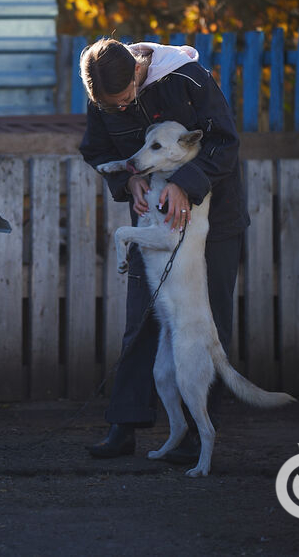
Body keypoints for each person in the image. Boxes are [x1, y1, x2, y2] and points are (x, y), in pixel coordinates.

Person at [78, 37, 249, 460]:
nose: (117, 109)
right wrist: (128, 181)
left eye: (122, 101)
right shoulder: (102, 95)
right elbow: (98, 150)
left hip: (215, 219)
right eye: (107, 105)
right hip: (155, 219)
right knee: (142, 315)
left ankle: (196, 434)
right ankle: (125, 424)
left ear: (137, 73)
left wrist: (183, 185)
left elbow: (224, 143)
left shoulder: (188, 80)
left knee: (207, 322)